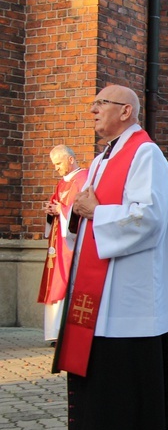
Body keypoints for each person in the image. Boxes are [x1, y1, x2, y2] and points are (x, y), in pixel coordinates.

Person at [54, 85, 168, 430]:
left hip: (127, 284)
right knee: (98, 362)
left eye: (102, 103)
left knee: (117, 366)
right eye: (94, 103)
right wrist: (77, 213)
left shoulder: (145, 154)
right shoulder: (101, 159)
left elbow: (149, 216)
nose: (93, 110)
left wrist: (97, 211)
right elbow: (87, 209)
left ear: (126, 111)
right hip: (98, 282)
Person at [37, 145, 88, 345]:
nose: (56, 168)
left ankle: (66, 332)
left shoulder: (83, 179)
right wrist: (52, 211)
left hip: (71, 244)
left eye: (58, 164)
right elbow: (58, 207)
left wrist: (62, 209)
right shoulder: (62, 183)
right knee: (54, 283)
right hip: (57, 244)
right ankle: (54, 332)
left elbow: (81, 209)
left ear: (70, 160)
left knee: (66, 284)